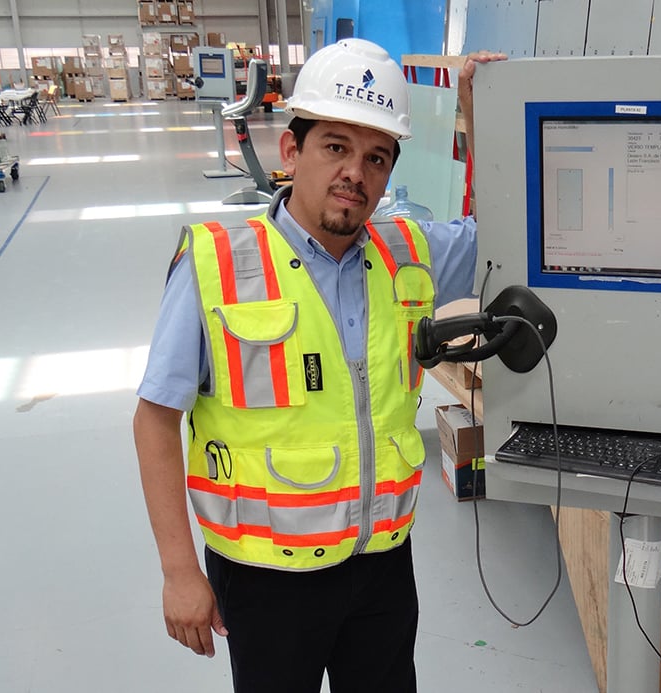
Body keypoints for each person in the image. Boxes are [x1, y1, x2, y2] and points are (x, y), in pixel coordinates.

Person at [133, 40, 506, 693]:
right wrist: (178, 571)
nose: (354, 173)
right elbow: (155, 420)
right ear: (291, 151)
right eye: (335, 147)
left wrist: (481, 115)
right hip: (265, 577)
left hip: (383, 562)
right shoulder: (217, 265)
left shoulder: (408, 253)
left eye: (375, 157)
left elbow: (509, 234)